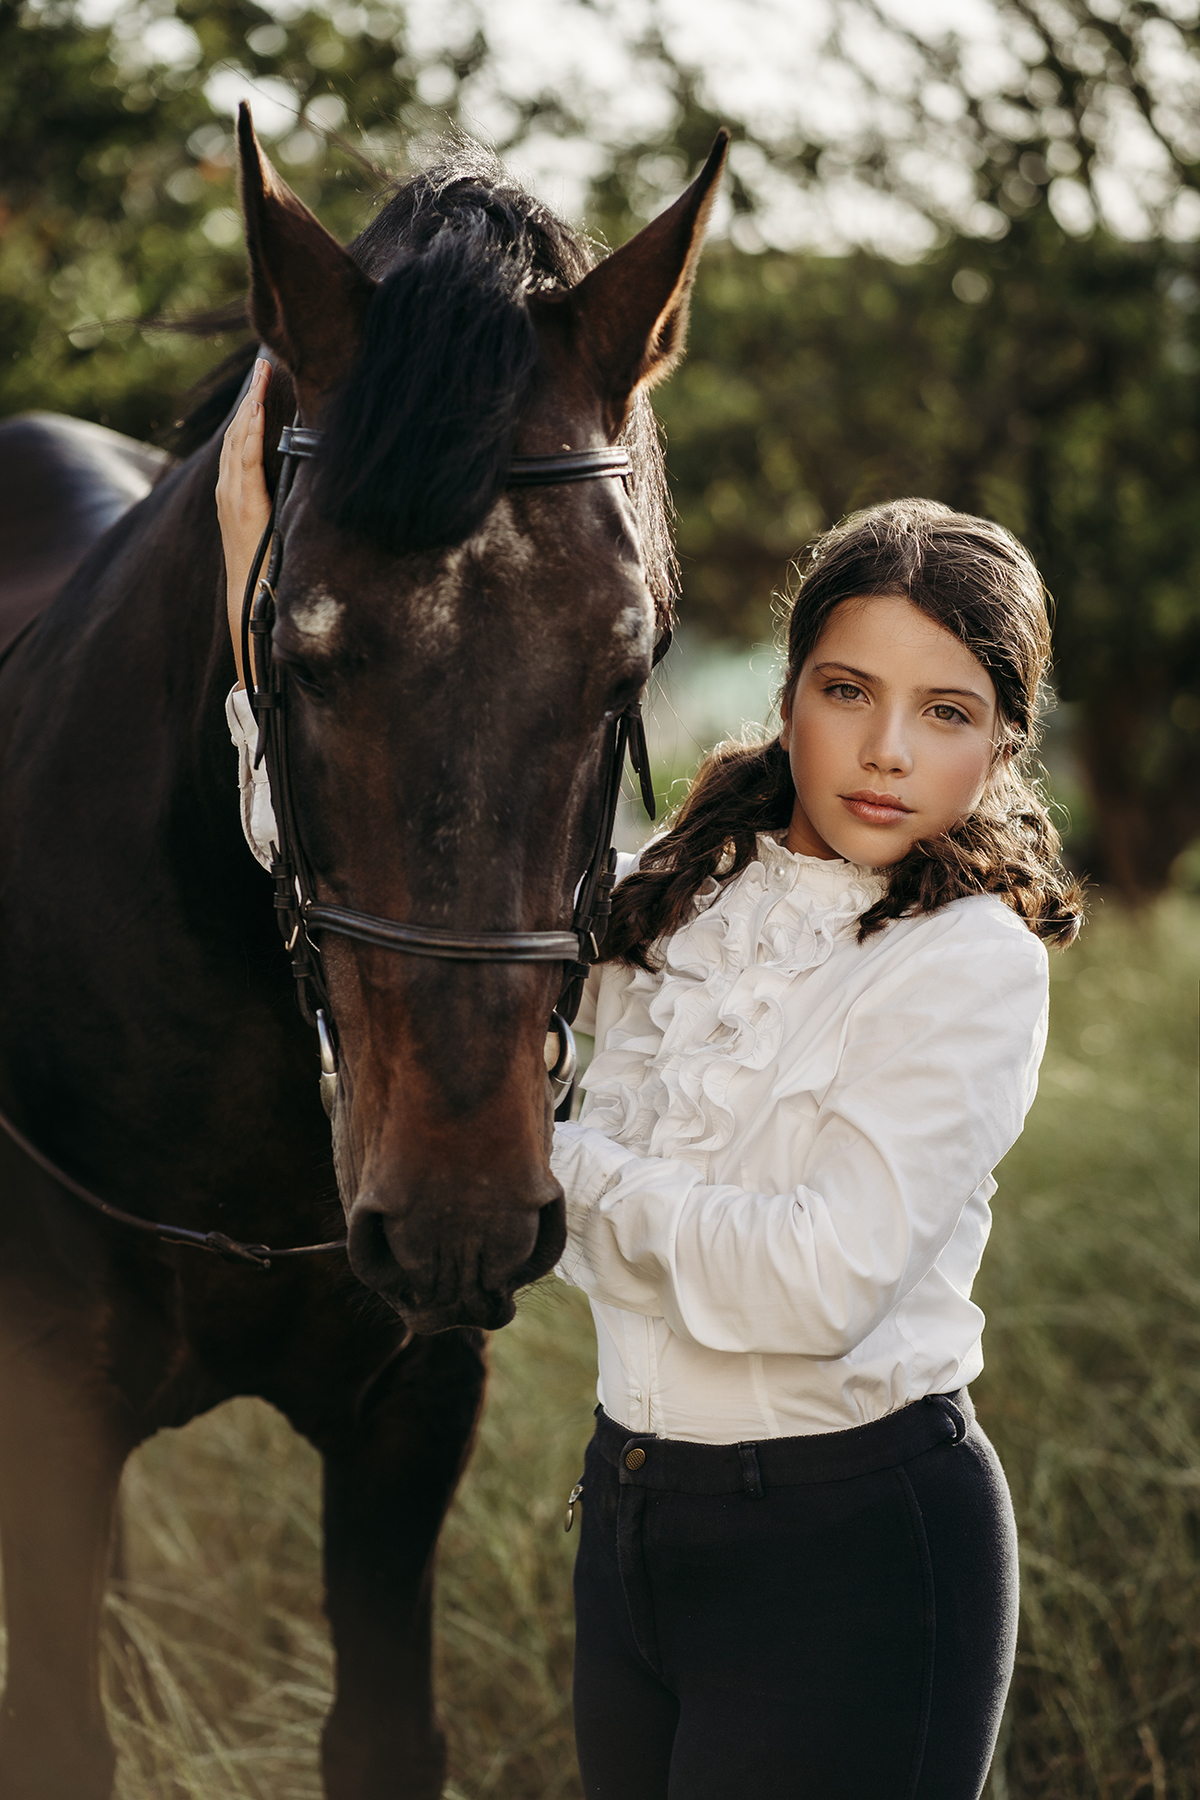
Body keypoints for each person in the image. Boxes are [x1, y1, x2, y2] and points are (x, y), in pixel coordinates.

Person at [217, 364, 1083, 1800]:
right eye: (848, 692)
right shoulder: (675, 895)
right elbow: (385, 883)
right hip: (631, 1524)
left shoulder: (969, 962)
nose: (885, 751)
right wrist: (264, 622)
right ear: (790, 699)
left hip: (854, 1551)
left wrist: (546, 1158)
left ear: (1003, 741)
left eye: (946, 711)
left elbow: (815, 1289)